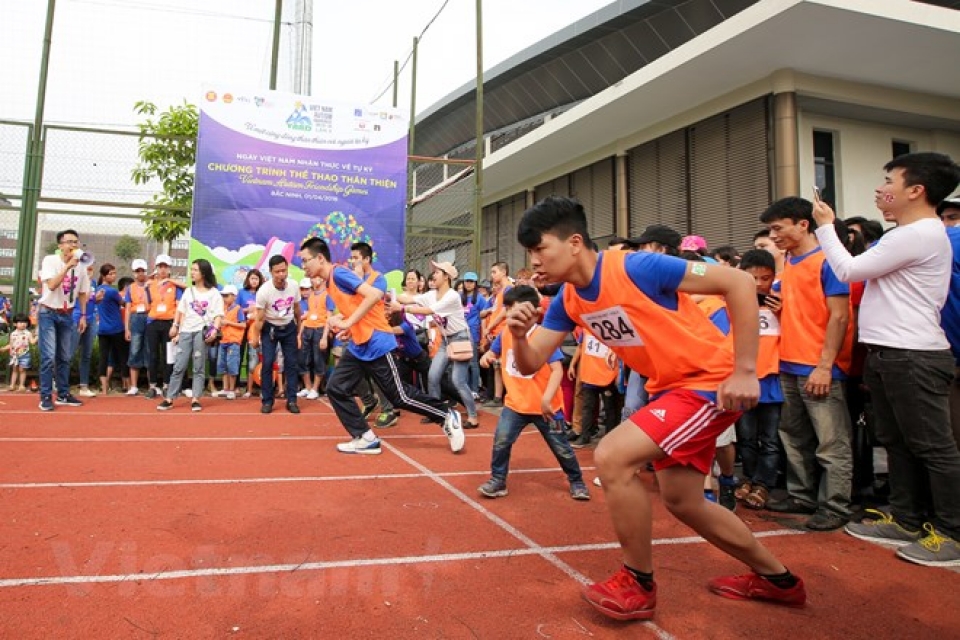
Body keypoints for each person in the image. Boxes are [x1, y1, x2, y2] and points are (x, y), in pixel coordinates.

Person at [509, 196, 805, 621]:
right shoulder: (568, 300)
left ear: (574, 243)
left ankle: (637, 582)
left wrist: (744, 371)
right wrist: (520, 336)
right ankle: (779, 581)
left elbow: (738, 283)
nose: (534, 262)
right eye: (530, 254)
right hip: (669, 392)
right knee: (684, 501)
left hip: (708, 383)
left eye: (540, 249)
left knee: (612, 456)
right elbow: (530, 363)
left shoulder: (635, 267)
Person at [814, 152, 960, 567]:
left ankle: (952, 532)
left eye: (889, 181)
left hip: (912, 353)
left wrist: (827, 227)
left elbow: (848, 270)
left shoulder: (916, 234)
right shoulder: (909, 234)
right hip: (890, 353)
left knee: (933, 446)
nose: (881, 189)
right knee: (897, 441)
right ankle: (906, 517)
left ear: (916, 191)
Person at [298, 237, 462, 455]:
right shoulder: (330, 282)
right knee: (336, 388)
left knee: (399, 396)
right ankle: (365, 437)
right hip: (359, 344)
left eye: (305, 261)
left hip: (376, 342)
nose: (303, 267)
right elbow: (357, 306)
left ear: (320, 258)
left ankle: (446, 414)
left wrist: (347, 322)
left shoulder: (338, 273)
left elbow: (374, 295)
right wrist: (349, 326)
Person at [760, 197, 855, 531]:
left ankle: (836, 505)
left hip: (818, 365)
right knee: (793, 435)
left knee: (831, 441)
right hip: (788, 362)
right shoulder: (789, 263)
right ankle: (802, 496)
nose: (773, 236)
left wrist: (825, 366)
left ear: (803, 224)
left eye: (778, 228)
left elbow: (840, 316)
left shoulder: (830, 261)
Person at [477, 284, 590, 500]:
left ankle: (577, 481)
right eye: (507, 308)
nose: (510, 313)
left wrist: (547, 398)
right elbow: (493, 352)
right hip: (515, 405)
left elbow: (557, 369)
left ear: (532, 310)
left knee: (561, 447)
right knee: (502, 440)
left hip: (547, 407)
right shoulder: (507, 334)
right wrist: (487, 357)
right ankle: (498, 480)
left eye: (515, 308)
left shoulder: (542, 336)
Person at [393, 261, 480, 429]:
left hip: (460, 339)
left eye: (437, 272)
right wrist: (387, 295)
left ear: (446, 276)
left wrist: (403, 309)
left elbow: (429, 311)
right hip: (446, 340)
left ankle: (473, 415)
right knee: (432, 376)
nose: (433, 275)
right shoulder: (432, 294)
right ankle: (436, 412)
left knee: (458, 380)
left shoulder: (452, 296)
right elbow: (410, 298)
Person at [734, 249, 784, 510]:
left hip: (772, 381)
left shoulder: (781, 303)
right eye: (752, 278)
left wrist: (783, 312)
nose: (759, 284)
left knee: (771, 438)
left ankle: (764, 484)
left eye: (765, 278)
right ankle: (748, 478)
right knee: (746, 437)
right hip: (744, 380)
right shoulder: (734, 304)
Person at [157, 259, 224, 412]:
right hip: (186, 331)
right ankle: (170, 398)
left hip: (202, 332)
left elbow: (218, 315)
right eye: (192, 269)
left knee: (198, 366)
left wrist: (214, 330)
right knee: (179, 365)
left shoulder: (214, 294)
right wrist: (176, 327)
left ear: (204, 273)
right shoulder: (188, 291)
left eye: (195, 270)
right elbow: (181, 311)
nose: (192, 273)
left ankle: (195, 398)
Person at [37, 229, 91, 411]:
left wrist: (83, 315)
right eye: (69, 242)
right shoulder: (50, 261)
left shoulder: (82, 265)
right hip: (48, 313)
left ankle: (63, 393)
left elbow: (83, 292)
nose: (73, 245)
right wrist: (67, 266)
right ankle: (45, 396)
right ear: (60, 245)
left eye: (76, 242)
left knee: (65, 357)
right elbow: (51, 285)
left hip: (67, 314)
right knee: (48, 357)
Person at [249, 256, 301, 414]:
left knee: (292, 364)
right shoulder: (264, 291)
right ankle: (267, 401)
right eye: (277, 271)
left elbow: (297, 309)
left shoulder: (293, 286)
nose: (281, 274)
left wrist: (298, 332)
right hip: (270, 328)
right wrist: (255, 337)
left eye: (284, 270)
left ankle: (292, 400)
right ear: (271, 272)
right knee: (267, 363)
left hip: (289, 327)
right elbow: (259, 318)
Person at [143, 254, 184, 399]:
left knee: (168, 356)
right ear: (156, 268)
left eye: (165, 266)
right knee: (152, 355)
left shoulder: (175, 285)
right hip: (153, 323)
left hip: (169, 323)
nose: (162, 269)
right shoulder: (150, 284)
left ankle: (167, 386)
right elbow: (147, 305)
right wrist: (145, 289)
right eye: (160, 266)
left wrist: (176, 325)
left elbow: (180, 305)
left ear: (169, 269)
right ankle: (153, 386)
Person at [95, 263, 128, 395]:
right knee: (123, 357)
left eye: (114, 273)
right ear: (104, 275)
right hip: (116, 328)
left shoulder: (98, 290)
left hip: (103, 329)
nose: (114, 276)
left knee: (104, 358)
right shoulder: (112, 291)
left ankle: (104, 388)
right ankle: (128, 384)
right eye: (111, 274)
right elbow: (124, 303)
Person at [297, 276, 329, 400]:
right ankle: (308, 387)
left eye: (316, 278)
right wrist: (299, 335)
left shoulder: (327, 295)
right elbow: (307, 316)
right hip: (307, 329)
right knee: (303, 359)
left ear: (322, 280)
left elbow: (329, 317)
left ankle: (315, 389)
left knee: (318, 359)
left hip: (320, 329)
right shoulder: (309, 297)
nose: (314, 280)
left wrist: (325, 337)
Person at [70, 263, 99, 397]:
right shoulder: (75, 281)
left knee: (86, 354)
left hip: (91, 319)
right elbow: (83, 298)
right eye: (87, 269)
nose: (89, 271)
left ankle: (84, 385)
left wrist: (98, 299)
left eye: (91, 269)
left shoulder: (93, 282)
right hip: (76, 318)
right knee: (69, 352)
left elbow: (92, 301)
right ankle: (58, 381)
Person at [124, 259, 151, 395]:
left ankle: (151, 385)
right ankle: (133, 386)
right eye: (137, 271)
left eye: (142, 270)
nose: (140, 273)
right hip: (136, 318)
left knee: (149, 350)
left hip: (150, 317)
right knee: (135, 350)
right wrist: (127, 328)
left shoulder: (152, 286)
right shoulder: (131, 288)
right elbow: (128, 308)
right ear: (133, 273)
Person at [217, 285, 246, 400]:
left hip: (234, 341)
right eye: (223, 296)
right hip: (223, 340)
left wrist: (228, 322)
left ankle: (232, 389)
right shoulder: (222, 309)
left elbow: (243, 324)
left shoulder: (238, 309)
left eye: (227, 296)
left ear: (234, 296)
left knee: (232, 365)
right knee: (223, 365)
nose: (224, 298)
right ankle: (225, 388)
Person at [238, 269, 263, 398]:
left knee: (256, 358)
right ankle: (237, 386)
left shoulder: (262, 293)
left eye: (256, 279)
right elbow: (236, 309)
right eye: (252, 278)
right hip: (242, 327)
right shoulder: (241, 293)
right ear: (248, 279)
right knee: (240, 355)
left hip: (257, 328)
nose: (254, 281)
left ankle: (257, 386)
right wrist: (248, 310)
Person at [2, 313, 36, 391]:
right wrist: (4, 348)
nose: (23, 324)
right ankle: (12, 385)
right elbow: (10, 345)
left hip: (24, 355)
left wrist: (37, 337)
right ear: (15, 324)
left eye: (25, 322)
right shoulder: (13, 334)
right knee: (14, 370)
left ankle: (21, 385)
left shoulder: (28, 333)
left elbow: (32, 342)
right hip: (14, 355)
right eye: (20, 322)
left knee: (22, 370)